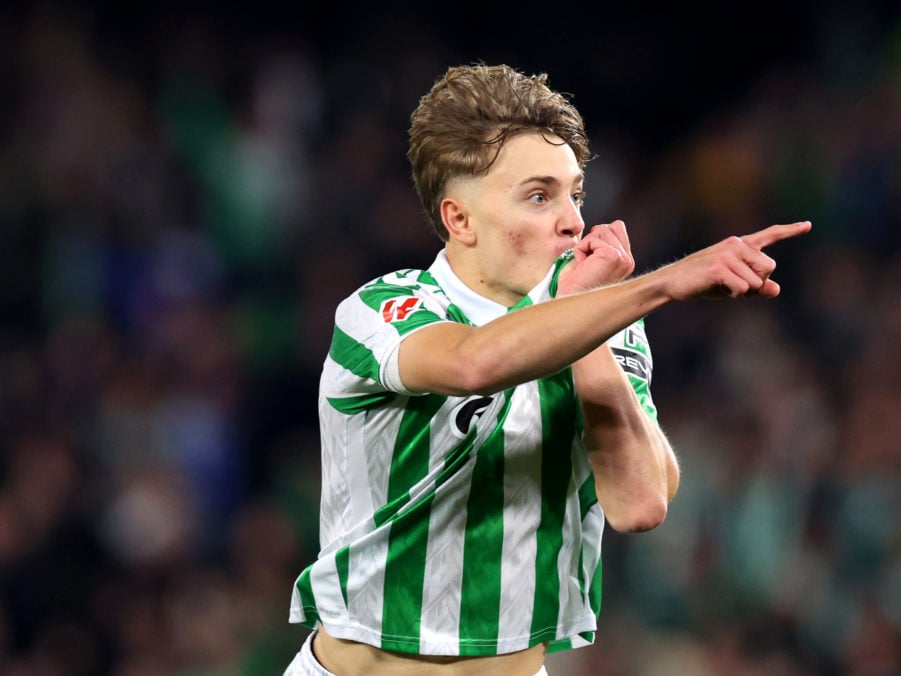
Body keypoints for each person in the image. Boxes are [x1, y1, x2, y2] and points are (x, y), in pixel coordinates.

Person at [284, 63, 811, 676]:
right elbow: (473, 362)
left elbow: (640, 504)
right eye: (540, 196)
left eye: (575, 194)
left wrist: (589, 324)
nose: (573, 221)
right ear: (460, 220)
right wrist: (667, 282)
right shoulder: (383, 310)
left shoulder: (606, 323)